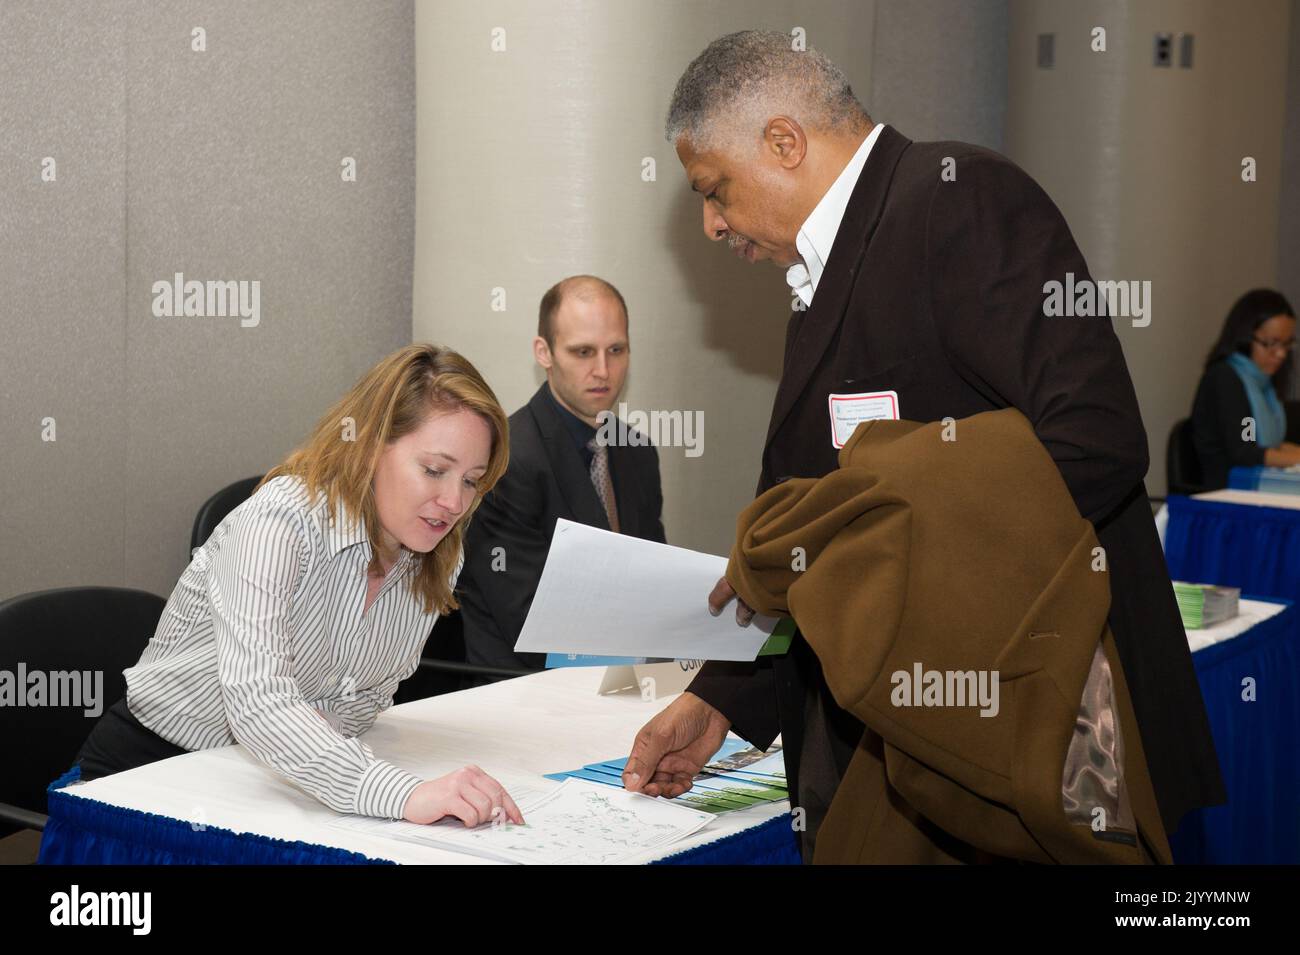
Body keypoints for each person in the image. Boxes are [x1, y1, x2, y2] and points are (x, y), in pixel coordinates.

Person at [622, 30, 1225, 861]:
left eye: (715, 189)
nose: (711, 222)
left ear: (785, 142)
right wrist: (724, 696)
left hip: (1024, 729)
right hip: (918, 747)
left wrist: (889, 543)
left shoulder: (961, 199)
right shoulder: (823, 274)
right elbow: (808, 523)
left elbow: (1095, 440)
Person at [76, 344, 524, 828]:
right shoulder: (279, 523)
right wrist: (399, 792)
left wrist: (348, 772)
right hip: (151, 775)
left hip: (273, 780)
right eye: (434, 470)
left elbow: (365, 699)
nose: (453, 501)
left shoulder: (439, 548)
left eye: (472, 480)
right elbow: (259, 701)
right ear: (371, 446)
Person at [457, 275, 666, 674]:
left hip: (621, 684)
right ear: (544, 352)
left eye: (616, 350)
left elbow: (653, 582)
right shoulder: (505, 459)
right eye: (583, 352)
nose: (603, 370)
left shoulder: (637, 452)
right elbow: (531, 623)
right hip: (520, 696)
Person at [1191, 288, 1300, 489]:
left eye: (1287, 344)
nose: (1281, 354)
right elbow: (1245, 450)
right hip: (1228, 492)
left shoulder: (1262, 383)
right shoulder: (1226, 379)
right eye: (1271, 343)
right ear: (1245, 337)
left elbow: (1270, 445)